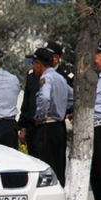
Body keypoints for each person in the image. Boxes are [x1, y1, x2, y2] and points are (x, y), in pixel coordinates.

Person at [30, 48, 73, 187]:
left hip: (47, 127)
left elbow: (44, 97)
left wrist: (40, 115)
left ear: (38, 63)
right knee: (59, 165)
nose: (33, 68)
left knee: (47, 165)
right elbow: (72, 96)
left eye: (33, 64)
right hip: (59, 127)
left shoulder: (46, 78)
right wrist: (64, 109)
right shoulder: (60, 78)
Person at [87, 40, 101, 200]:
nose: (95, 59)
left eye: (97, 55)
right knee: (96, 170)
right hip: (94, 126)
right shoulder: (97, 77)